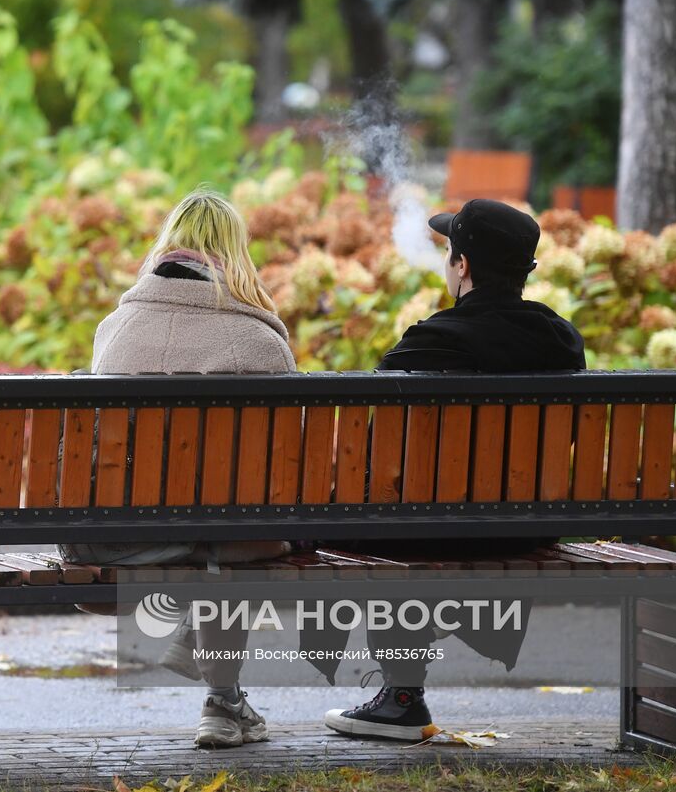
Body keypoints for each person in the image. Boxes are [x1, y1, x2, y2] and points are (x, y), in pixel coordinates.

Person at [319, 198, 586, 741]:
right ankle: (400, 695)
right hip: (529, 527)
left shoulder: (434, 338)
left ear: (462, 266)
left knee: (371, 521)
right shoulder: (562, 340)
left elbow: (380, 445)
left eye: (450, 252)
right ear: (524, 271)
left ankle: (401, 697)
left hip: (429, 527)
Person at [56, 188, 295, 749]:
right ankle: (221, 699)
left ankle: (224, 700)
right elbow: (285, 467)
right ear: (236, 255)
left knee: (218, 531)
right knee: (241, 532)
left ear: (168, 248)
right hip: (222, 537)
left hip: (115, 540)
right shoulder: (259, 342)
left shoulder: (114, 330)